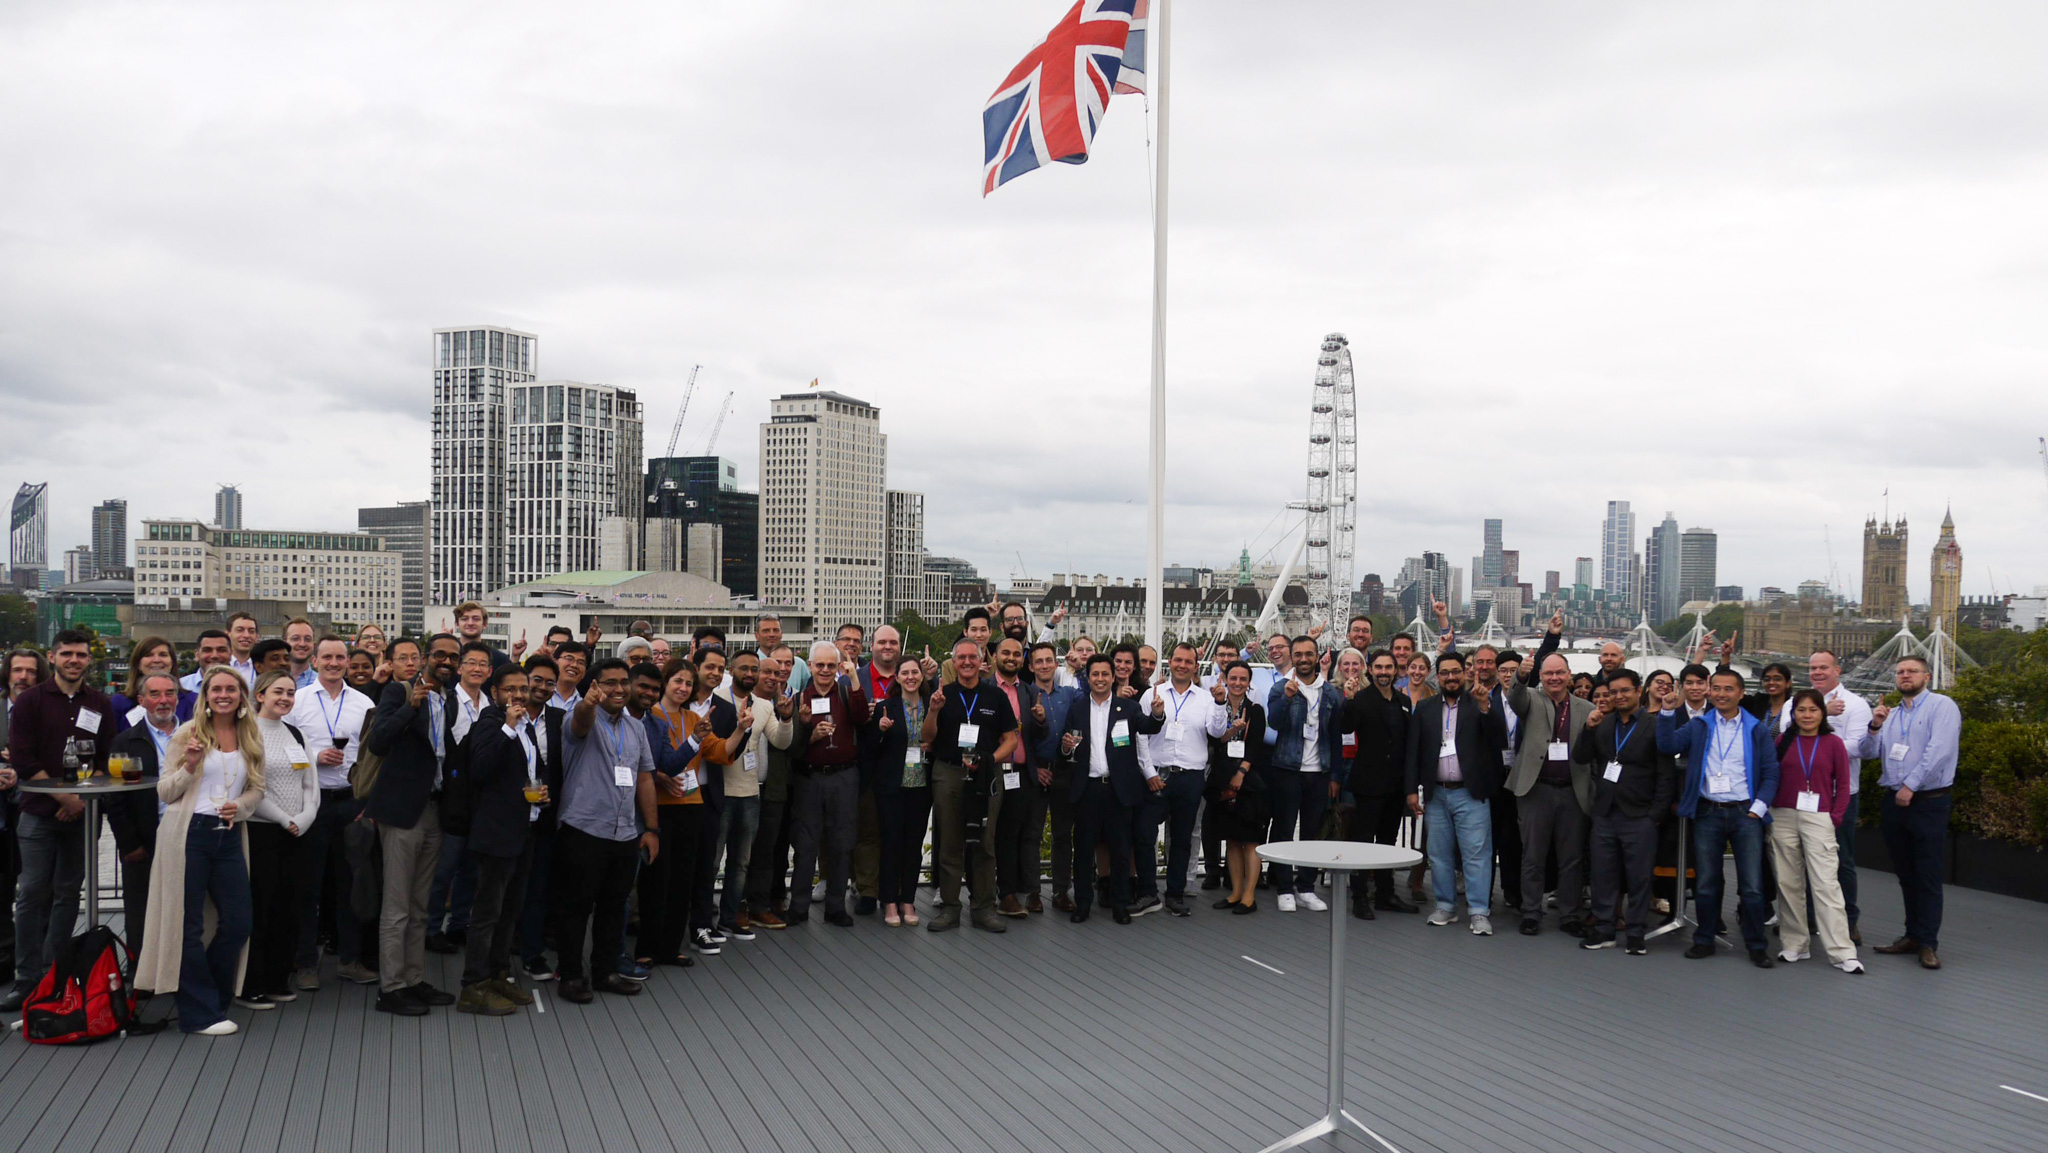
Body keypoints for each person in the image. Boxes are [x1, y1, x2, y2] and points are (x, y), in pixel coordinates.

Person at [137, 667, 263, 1036]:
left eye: (231, 689)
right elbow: (165, 791)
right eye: (216, 689)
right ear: (205, 695)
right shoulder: (185, 734)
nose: (224, 695)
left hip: (227, 835)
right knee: (187, 925)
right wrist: (190, 765)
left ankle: (212, 997)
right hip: (187, 835)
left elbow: (257, 789)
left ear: (241, 694)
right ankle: (198, 1014)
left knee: (239, 922)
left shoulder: (249, 734)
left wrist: (239, 807)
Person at [3, 629, 108, 1013]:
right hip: (37, 814)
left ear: (88, 660)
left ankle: (55, 973)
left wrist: (78, 800)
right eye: (67, 654)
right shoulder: (30, 701)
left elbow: (104, 757)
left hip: (82, 814)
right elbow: (23, 758)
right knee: (31, 894)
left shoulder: (99, 702)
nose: (74, 660)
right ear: (53, 657)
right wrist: (63, 797)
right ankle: (26, 979)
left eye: (80, 654)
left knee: (68, 893)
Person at [552, 659, 660, 1004]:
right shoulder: (579, 715)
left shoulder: (636, 728)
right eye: (609, 683)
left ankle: (604, 972)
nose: (618, 689)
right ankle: (570, 976)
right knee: (575, 908)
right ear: (594, 685)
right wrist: (588, 703)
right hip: (584, 828)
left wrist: (651, 828)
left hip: (624, 833)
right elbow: (581, 724)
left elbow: (644, 777)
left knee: (614, 908)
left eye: (623, 682)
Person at [1657, 669, 1781, 968]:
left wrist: (1759, 808)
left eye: (1729, 689)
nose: (1722, 694)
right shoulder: (1700, 725)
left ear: (1741, 693)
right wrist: (1665, 712)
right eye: (1717, 688)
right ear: (1710, 692)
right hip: (1708, 811)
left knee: (1752, 885)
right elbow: (1667, 746)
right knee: (1707, 882)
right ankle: (1704, 939)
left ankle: (1756, 944)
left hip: (1745, 814)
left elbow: (1770, 771)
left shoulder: (1756, 730)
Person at [363, 636, 458, 1016]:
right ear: (425, 660)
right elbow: (378, 742)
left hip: (434, 807)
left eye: (453, 656)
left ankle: (415, 979)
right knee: (397, 905)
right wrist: (410, 706)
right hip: (403, 811)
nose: (446, 661)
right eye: (439, 655)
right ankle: (392, 987)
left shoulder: (447, 699)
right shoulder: (399, 692)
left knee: (422, 904)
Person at [286, 636, 375, 990]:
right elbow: (281, 749)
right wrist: (314, 757)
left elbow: (372, 757)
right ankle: (306, 963)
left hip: (350, 802)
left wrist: (367, 802)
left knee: (350, 885)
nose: (334, 663)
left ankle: (350, 961)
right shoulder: (297, 700)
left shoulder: (364, 702)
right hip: (311, 801)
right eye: (328, 657)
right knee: (308, 886)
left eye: (341, 657)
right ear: (316, 659)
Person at [1860, 655, 1961, 971]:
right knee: (1905, 874)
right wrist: (1874, 726)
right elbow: (1868, 753)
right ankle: (1912, 935)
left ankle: (1928, 943)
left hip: (1928, 801)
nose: (1905, 676)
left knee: (1927, 875)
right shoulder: (1890, 715)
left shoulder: (1942, 707)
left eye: (1911, 671)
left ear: (1926, 677)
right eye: (1900, 671)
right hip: (1894, 802)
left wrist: (1911, 786)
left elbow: (1939, 751)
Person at [454, 663, 543, 1015]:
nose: (519, 695)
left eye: (523, 688)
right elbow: (482, 769)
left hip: (525, 827)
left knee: (510, 910)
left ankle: (497, 975)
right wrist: (507, 725)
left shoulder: (528, 727)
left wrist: (542, 789)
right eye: (511, 689)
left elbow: (531, 770)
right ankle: (472, 986)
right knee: (487, 913)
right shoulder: (489, 724)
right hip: (495, 833)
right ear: (495, 693)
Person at [1404, 650, 1508, 935]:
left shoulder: (1480, 703)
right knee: (1438, 855)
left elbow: (1500, 739)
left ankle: (1478, 911)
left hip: (1471, 794)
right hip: (1436, 794)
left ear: (1466, 673)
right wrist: (1412, 791)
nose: (1451, 677)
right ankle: (1446, 906)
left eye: (1456, 672)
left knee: (1477, 854)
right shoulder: (1425, 708)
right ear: (1437, 677)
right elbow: (1413, 751)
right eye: (1445, 673)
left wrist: (1486, 706)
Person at [1506, 617, 1596, 936]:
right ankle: (1531, 911)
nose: (1555, 677)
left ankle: (1570, 914)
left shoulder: (1586, 708)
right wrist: (1520, 675)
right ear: (1540, 677)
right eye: (1548, 673)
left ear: (1569, 676)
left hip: (1573, 791)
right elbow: (1515, 697)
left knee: (1571, 858)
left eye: (1560, 673)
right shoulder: (1531, 700)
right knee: (1533, 856)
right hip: (1536, 791)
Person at [1574, 670, 1672, 954]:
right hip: (1605, 813)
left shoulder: (1654, 726)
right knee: (1602, 875)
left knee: (1640, 878)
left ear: (1638, 691)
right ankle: (1604, 929)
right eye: (1613, 692)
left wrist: (1656, 814)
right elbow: (1581, 757)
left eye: (1624, 691)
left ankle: (1636, 932)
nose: (1618, 696)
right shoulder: (1603, 725)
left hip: (1641, 815)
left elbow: (1665, 776)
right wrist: (1588, 729)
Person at [922, 636, 1017, 932]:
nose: (966, 662)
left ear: (980, 661)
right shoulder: (943, 694)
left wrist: (988, 760)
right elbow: (927, 737)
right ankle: (950, 908)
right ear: (953, 661)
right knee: (949, 842)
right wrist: (934, 710)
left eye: (972, 657)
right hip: (948, 772)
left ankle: (984, 908)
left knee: (984, 843)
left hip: (986, 775)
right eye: (960, 658)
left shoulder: (995, 697)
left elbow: (1011, 740)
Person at [239, 670, 319, 1010]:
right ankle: (250, 984)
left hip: (297, 833)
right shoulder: (247, 733)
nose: (285, 698)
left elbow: (309, 785)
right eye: (278, 692)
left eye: (290, 693)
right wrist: (283, 818)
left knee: (290, 907)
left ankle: (277, 978)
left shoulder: (294, 733)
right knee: (261, 908)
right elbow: (248, 787)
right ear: (260, 694)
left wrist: (305, 816)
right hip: (261, 832)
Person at [1769, 689, 1862, 973]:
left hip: (1819, 816)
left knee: (1826, 885)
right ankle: (1795, 944)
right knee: (1788, 883)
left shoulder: (1833, 743)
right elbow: (1771, 773)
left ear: (1822, 712)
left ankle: (1842, 951)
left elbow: (1844, 786)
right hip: (1782, 815)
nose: (1807, 715)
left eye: (1812, 710)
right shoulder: (1784, 741)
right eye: (1801, 710)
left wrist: (1833, 818)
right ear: (1793, 714)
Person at [639, 659, 725, 963]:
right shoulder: (650, 717)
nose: (683, 687)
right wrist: (659, 775)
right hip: (659, 807)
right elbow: (650, 764)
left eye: (688, 683)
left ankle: (670, 947)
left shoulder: (693, 717)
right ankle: (647, 949)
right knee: (655, 879)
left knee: (682, 879)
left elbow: (720, 752)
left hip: (691, 805)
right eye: (677, 681)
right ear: (665, 682)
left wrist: (741, 729)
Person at [1133, 642, 1227, 918]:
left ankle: (1174, 893)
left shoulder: (1207, 698)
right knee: (1144, 834)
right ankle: (1149, 892)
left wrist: (1221, 704)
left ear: (1196, 667)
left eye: (1188, 661)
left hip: (1190, 777)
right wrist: (1148, 772)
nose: (1182, 665)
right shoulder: (1153, 693)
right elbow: (1140, 736)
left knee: (1182, 839)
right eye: (1178, 660)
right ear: (1170, 662)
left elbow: (1216, 731)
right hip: (1157, 774)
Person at [1059, 654, 1152, 924]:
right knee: (1084, 850)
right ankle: (1083, 904)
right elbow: (1065, 750)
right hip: (1086, 789)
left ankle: (1120, 904)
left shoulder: (1128, 707)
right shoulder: (1076, 707)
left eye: (1105, 674)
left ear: (1114, 677)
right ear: (1088, 678)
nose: (1100, 679)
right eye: (1095, 674)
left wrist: (1157, 713)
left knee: (1121, 851)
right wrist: (1066, 747)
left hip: (1117, 789)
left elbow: (1150, 727)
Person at [789, 641, 870, 928]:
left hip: (844, 777)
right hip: (810, 778)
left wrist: (855, 678)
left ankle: (835, 905)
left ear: (838, 668)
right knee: (805, 843)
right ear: (809, 666)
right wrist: (810, 735)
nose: (825, 670)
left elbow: (862, 719)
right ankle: (798, 906)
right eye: (819, 665)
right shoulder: (799, 698)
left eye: (830, 665)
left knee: (841, 842)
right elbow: (792, 749)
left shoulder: (847, 693)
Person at [425, 641, 494, 955]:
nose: (477, 669)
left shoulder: (493, 706)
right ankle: (431, 928)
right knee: (444, 868)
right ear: (461, 668)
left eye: (483, 664)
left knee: (471, 869)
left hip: (483, 799)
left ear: (489, 671)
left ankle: (458, 926)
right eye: (472, 663)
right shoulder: (447, 702)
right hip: (452, 798)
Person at [1334, 649, 1414, 918]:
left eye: (1388, 667)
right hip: (1368, 783)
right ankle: (1359, 897)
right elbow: (1345, 728)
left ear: (1394, 670)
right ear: (1370, 669)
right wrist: (1349, 699)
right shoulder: (1361, 699)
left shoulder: (1403, 701)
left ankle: (1385, 893)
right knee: (1363, 841)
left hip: (1395, 784)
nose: (1383, 672)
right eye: (1378, 667)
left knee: (1388, 842)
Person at [1265, 636, 1339, 913]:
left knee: (1312, 832)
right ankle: (1284, 887)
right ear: (1292, 657)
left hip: (1318, 772)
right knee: (1283, 830)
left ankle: (1306, 886)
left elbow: (1334, 736)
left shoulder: (1330, 693)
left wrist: (1334, 777)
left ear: (1317, 656)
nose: (1304, 659)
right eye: (1299, 654)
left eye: (1309, 654)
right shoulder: (1280, 688)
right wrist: (1287, 698)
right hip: (1287, 769)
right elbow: (1274, 722)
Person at [106, 671, 177, 960]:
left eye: (169, 693)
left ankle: (180, 970)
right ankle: (140, 973)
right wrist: (128, 843)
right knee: (140, 909)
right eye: (155, 694)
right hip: (144, 838)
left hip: (186, 833)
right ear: (141, 700)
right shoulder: (125, 741)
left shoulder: (196, 734)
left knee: (184, 907)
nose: (163, 701)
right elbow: (116, 798)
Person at [719, 651, 785, 938]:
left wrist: (787, 718)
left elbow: (781, 741)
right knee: (712, 860)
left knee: (741, 862)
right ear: (731, 669)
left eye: (754, 669)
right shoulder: (717, 699)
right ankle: (700, 917)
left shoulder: (764, 706)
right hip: (719, 791)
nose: (750, 673)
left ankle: (730, 916)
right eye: (744, 668)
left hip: (749, 793)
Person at [1807, 649, 1870, 943]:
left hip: (1839, 796)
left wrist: (1813, 733)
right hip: (1803, 797)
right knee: (1801, 860)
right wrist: (1821, 717)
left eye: (1823, 668)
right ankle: (1807, 919)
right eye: (1813, 668)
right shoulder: (1801, 702)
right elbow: (1785, 739)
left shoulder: (1857, 705)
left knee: (1841, 860)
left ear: (1837, 670)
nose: (1817, 673)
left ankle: (1848, 921)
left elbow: (1857, 747)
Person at [514, 655, 568, 981]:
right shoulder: (506, 716)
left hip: (547, 817)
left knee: (538, 889)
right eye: (537, 679)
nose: (543, 687)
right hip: (509, 817)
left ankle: (533, 954)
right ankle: (501, 954)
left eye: (550, 682)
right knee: (504, 889)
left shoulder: (562, 719)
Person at [872, 660, 937, 927]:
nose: (910, 677)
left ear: (922, 676)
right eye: (905, 673)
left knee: (913, 845)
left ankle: (908, 899)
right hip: (892, 786)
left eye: (915, 672)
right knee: (890, 844)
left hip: (921, 785)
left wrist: (933, 746)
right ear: (897, 678)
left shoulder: (932, 705)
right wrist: (881, 730)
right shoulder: (885, 707)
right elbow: (872, 748)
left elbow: (941, 740)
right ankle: (889, 901)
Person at [1205, 662, 1271, 914]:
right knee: (1232, 840)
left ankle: (1249, 895)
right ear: (1225, 678)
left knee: (1251, 840)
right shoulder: (1217, 707)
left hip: (1248, 779)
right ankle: (1235, 892)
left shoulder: (1255, 710)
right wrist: (1233, 728)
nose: (1237, 683)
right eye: (1233, 678)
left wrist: (1241, 773)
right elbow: (1214, 739)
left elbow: (1255, 745)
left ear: (1249, 682)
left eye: (1243, 679)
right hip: (1222, 778)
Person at [1022, 641, 1081, 913]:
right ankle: (1033, 892)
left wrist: (1080, 669)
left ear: (1056, 665)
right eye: (1039, 661)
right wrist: (1035, 770)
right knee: (1032, 835)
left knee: (1062, 835)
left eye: (1049, 660)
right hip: (1035, 771)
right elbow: (1021, 737)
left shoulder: (1068, 694)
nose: (1045, 665)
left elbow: (1096, 694)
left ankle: (1060, 891)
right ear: (1031, 666)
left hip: (1063, 769)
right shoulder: (1025, 694)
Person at [745, 645, 801, 929]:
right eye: (765, 671)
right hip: (743, 788)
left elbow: (790, 744)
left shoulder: (789, 701)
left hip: (775, 788)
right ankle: (739, 905)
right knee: (742, 851)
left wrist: (790, 717)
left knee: (769, 852)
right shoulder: (742, 702)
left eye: (778, 672)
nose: (772, 676)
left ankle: (761, 904)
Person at [110, 637, 196, 732]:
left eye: (163, 655)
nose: (156, 660)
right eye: (148, 655)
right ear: (138, 663)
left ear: (172, 663)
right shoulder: (119, 702)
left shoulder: (193, 701)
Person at [453, 602, 512, 668]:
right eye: (464, 619)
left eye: (476, 619)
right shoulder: (450, 656)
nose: (470, 623)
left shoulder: (500, 659)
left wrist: (515, 657)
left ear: (485, 624)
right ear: (457, 624)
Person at [283, 618, 318, 687]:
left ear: (313, 644)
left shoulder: (322, 683)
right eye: (295, 639)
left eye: (307, 639)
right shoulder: (270, 681)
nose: (302, 644)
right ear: (284, 643)